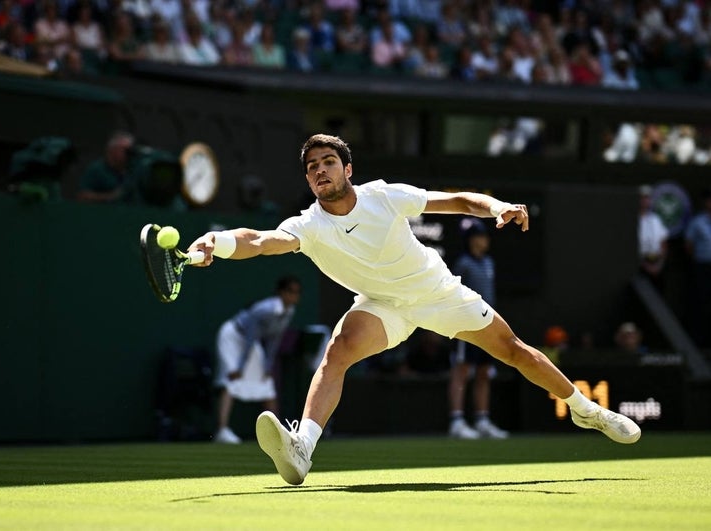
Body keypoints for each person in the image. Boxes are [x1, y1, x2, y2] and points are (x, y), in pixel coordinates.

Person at [187, 133, 641, 486]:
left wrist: (498, 206)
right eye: (312, 167)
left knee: (515, 351)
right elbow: (264, 241)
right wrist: (219, 243)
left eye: (328, 162)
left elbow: (460, 201)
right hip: (383, 306)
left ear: (348, 169)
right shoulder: (308, 224)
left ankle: (588, 411)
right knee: (338, 349)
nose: (320, 171)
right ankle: (302, 447)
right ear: (308, 180)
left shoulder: (384, 196)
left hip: (438, 293)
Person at [213, 276, 302, 444]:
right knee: (231, 380)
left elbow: (274, 340)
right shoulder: (264, 310)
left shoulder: (289, 311)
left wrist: (268, 366)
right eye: (291, 291)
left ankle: (277, 435)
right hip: (233, 337)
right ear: (281, 292)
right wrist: (239, 366)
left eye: (297, 292)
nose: (294, 296)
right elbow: (249, 337)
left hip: (251, 343)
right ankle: (222, 431)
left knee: (266, 383)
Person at [448, 221, 508, 439]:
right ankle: (457, 422)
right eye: (481, 236)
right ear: (471, 239)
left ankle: (482, 420)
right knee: (462, 370)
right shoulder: (463, 263)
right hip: (465, 325)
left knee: (483, 371)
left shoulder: (489, 262)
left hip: (487, 325)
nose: (485, 240)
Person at [684, 187, 711, 348]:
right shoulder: (697, 222)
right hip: (702, 268)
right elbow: (689, 245)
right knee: (701, 304)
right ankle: (699, 342)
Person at [77, 131, 136, 203]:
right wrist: (111, 196)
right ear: (112, 150)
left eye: (130, 150)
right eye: (125, 150)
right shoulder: (96, 169)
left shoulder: (133, 169)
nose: (129, 154)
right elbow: (82, 196)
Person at [638, 185, 669, 289]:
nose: (645, 201)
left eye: (647, 198)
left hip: (657, 264)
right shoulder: (631, 219)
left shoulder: (656, 219)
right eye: (642, 198)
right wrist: (645, 266)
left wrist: (659, 265)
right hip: (640, 267)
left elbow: (663, 243)